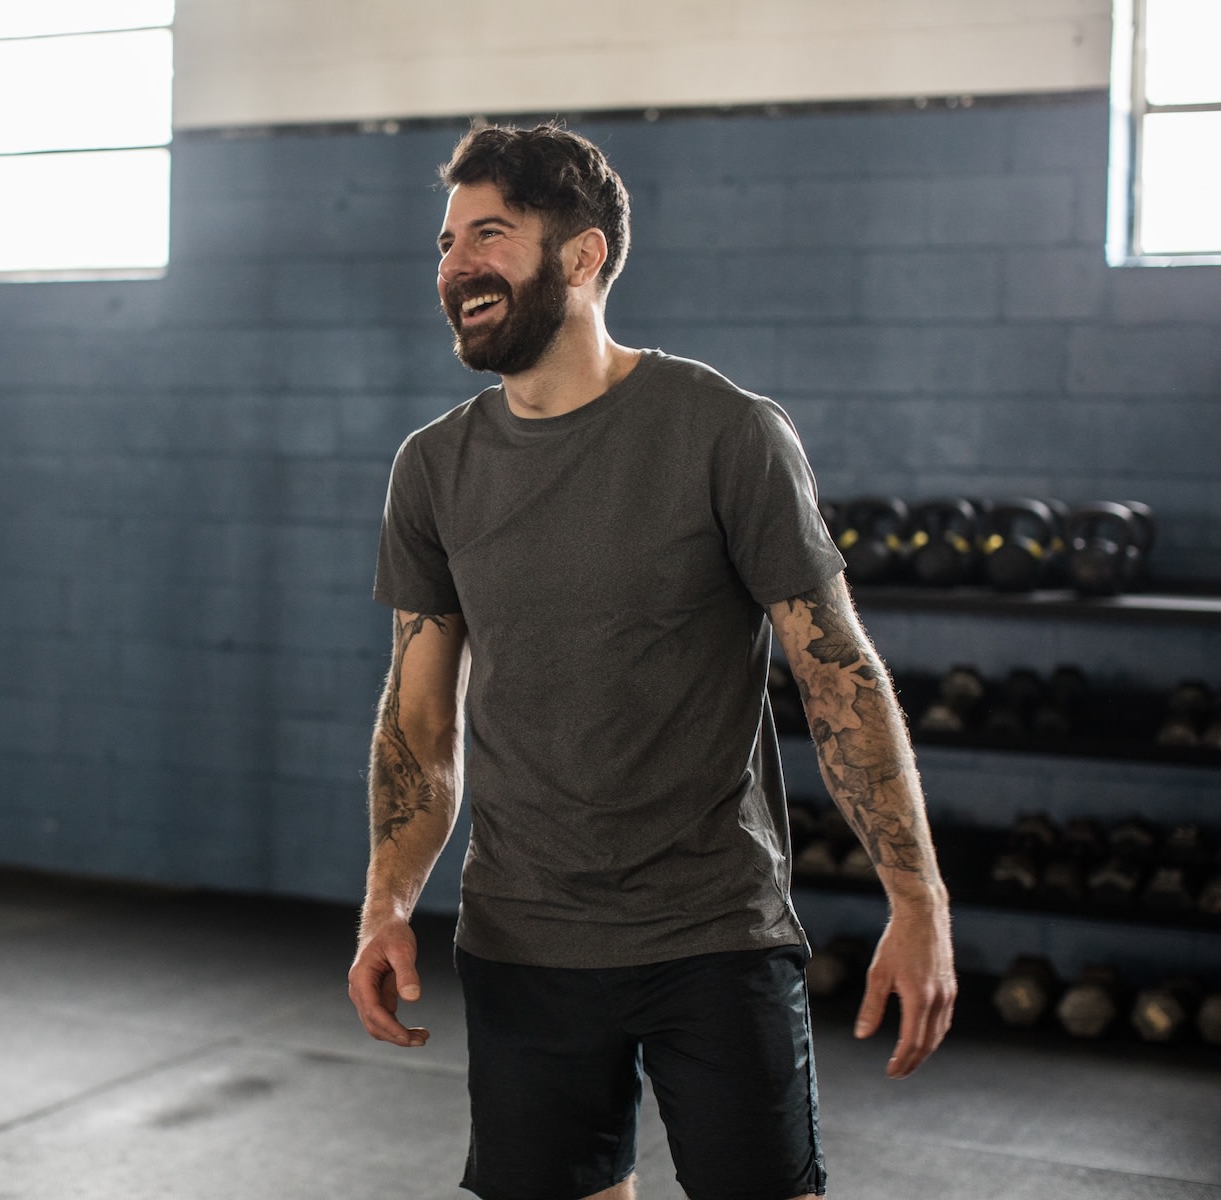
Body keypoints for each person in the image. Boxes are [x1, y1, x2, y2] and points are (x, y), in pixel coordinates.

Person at [347, 124, 955, 1200]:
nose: (454, 267)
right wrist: (387, 904)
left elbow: (838, 676)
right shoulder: (434, 469)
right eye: (445, 243)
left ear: (581, 257)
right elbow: (421, 721)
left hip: (714, 933)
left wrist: (919, 899)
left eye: (489, 235)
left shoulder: (725, 433)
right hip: (523, 939)